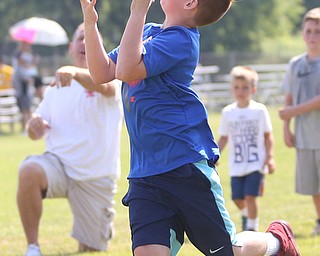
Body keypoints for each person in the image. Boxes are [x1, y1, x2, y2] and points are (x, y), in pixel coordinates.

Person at [80, 0, 300, 255]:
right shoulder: (149, 31)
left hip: (184, 166)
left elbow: (127, 70)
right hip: (145, 173)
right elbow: (102, 72)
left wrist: (137, 10)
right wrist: (90, 21)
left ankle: (276, 241)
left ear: (190, 3)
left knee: (229, 251)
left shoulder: (181, 40)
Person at [17, 23, 123, 256]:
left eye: (90, 38)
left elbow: (103, 86)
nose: (84, 43)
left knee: (91, 249)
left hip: (94, 177)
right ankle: (33, 247)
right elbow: (36, 131)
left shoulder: (111, 79)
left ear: (100, 47)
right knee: (28, 170)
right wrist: (34, 126)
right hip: (58, 166)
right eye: (80, 38)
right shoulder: (55, 89)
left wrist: (73, 72)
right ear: (70, 47)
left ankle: (102, 226)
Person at [218, 66, 276, 232]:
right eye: (236, 87)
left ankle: (252, 228)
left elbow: (268, 135)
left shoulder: (259, 110)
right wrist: (215, 155)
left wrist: (270, 157)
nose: (240, 91)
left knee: (250, 197)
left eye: (245, 87)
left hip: (256, 163)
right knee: (237, 198)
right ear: (232, 89)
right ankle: (246, 214)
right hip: (237, 165)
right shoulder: (228, 112)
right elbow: (224, 137)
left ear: (253, 89)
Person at [279, 7, 320, 237]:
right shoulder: (295, 64)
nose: (313, 36)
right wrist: (286, 127)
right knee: (313, 186)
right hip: (305, 136)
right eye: (309, 31)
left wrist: (293, 111)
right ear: (303, 33)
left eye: (318, 31)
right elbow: (289, 96)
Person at [12, 41, 42, 132]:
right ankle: (25, 127)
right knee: (24, 109)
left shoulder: (30, 56)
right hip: (22, 86)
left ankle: (28, 127)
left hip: (28, 87)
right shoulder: (18, 57)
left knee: (28, 108)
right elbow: (22, 68)